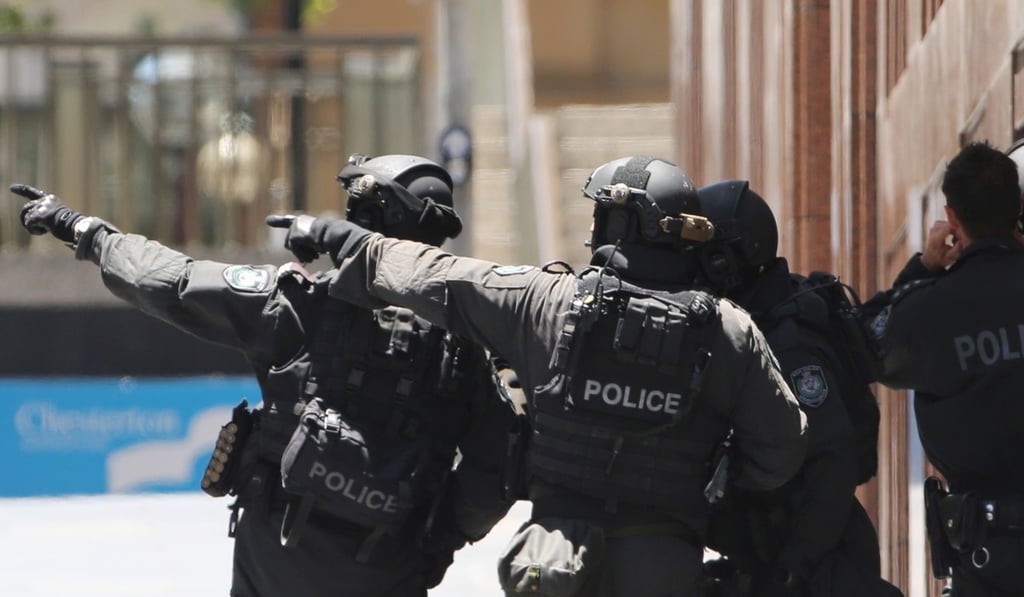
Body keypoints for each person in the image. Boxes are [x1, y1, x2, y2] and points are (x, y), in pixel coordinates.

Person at [267, 154, 808, 596]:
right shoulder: (729, 330)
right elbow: (780, 451)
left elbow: (434, 275)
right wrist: (707, 483)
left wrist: (339, 236)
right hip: (665, 559)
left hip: (553, 562)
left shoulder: (544, 301)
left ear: (619, 225)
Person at [9, 153, 522, 597]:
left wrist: (82, 229)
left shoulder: (300, 303)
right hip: (389, 564)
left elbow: (169, 281)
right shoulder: (469, 349)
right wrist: (435, 544)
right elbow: (495, 470)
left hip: (277, 556)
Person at [694, 180, 901, 597]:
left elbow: (833, 458)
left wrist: (794, 567)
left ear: (727, 260)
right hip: (779, 546)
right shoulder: (757, 319)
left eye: (703, 257)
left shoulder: (788, 342)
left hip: (818, 558)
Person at [864, 141, 1024, 597]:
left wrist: (923, 268)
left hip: (987, 558)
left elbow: (864, 342)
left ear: (952, 217)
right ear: (1018, 205)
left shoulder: (928, 312)